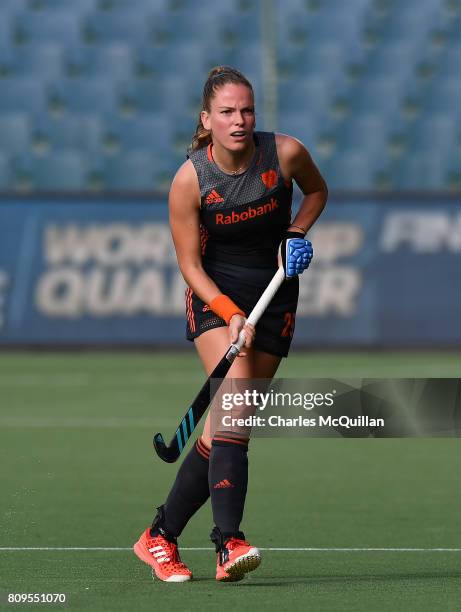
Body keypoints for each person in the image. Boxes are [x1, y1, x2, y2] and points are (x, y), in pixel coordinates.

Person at [134, 66, 328, 583]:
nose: (239, 120)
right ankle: (228, 543)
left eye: (246, 110)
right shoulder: (190, 179)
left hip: (276, 296)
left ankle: (158, 536)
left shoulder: (284, 153)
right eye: (227, 112)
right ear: (207, 119)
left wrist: (297, 231)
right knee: (237, 407)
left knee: (227, 425)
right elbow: (189, 266)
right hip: (216, 299)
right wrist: (228, 311)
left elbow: (316, 192)